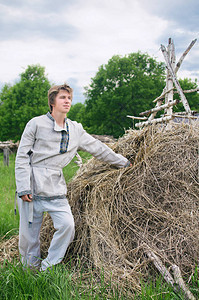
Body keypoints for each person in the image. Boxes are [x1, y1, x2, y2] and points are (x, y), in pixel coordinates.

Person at [15, 83, 131, 272]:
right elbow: (21, 157)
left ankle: (48, 267)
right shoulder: (35, 124)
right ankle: (30, 273)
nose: (67, 101)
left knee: (67, 226)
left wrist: (123, 162)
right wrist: (23, 187)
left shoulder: (75, 129)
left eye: (69, 98)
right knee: (29, 237)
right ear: (52, 101)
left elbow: (98, 148)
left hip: (55, 186)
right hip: (32, 185)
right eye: (63, 97)